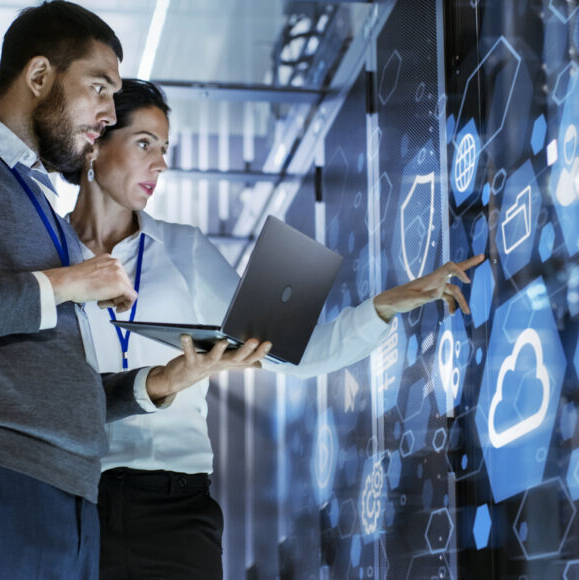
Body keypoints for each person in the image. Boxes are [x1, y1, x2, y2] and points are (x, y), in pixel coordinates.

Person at [0, 3, 269, 578]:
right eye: (99, 87)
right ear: (39, 77)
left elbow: (59, 378)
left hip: (74, 499)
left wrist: (160, 383)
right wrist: (70, 281)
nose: (108, 113)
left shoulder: (39, 202)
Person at [66, 78, 485, 579]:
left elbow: (294, 354)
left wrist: (385, 306)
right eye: (144, 144)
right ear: (96, 142)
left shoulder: (185, 250)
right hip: (74, 500)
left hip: (175, 507)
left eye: (165, 149)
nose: (161, 163)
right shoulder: (46, 255)